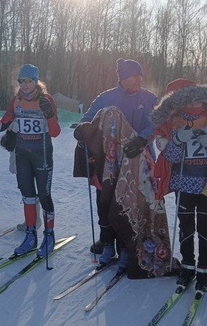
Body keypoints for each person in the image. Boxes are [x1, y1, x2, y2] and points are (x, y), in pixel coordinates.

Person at [74, 58, 157, 263]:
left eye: (140, 75)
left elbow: (155, 123)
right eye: (133, 75)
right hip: (109, 159)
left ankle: (130, 245)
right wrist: (82, 128)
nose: (138, 79)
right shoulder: (106, 98)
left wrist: (141, 139)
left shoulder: (148, 98)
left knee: (132, 202)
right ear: (122, 78)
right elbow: (89, 118)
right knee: (106, 199)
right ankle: (107, 241)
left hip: (137, 157)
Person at [152, 79, 207, 292]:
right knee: (186, 228)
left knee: (204, 228)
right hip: (183, 183)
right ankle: (187, 268)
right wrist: (177, 141)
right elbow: (171, 157)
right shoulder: (175, 122)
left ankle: (204, 270)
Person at [0, 64, 61, 257]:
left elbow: (55, 132)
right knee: (27, 196)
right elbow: (2, 125)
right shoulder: (16, 100)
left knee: (44, 195)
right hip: (22, 155)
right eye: (21, 81)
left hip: (42, 153)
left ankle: (49, 235)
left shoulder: (46, 99)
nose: (24, 85)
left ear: (36, 81)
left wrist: (49, 114)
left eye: (28, 80)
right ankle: (31, 235)